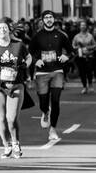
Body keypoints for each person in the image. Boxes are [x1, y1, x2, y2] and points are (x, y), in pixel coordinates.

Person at [0, 18, 31, 159]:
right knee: (2, 119)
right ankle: (6, 145)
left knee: (12, 118)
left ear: (9, 30)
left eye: (4, 28)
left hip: (15, 85)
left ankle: (15, 142)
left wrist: (25, 65)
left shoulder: (18, 44)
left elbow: (29, 57)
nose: (2, 30)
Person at [28, 10, 71, 146]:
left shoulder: (61, 35)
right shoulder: (37, 36)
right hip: (42, 73)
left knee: (56, 100)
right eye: (46, 17)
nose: (48, 19)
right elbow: (29, 53)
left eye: (50, 17)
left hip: (57, 70)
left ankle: (53, 129)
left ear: (54, 19)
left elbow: (70, 50)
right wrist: (36, 60)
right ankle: (45, 112)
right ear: (42, 20)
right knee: (43, 100)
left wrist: (67, 56)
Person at [72, 19, 96, 93]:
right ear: (79, 27)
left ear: (86, 26)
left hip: (89, 56)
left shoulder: (90, 36)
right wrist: (78, 48)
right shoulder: (76, 36)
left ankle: (90, 84)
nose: (83, 26)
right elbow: (73, 45)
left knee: (89, 71)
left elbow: (95, 45)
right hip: (80, 57)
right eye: (81, 25)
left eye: (84, 25)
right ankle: (84, 87)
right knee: (82, 72)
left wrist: (88, 48)